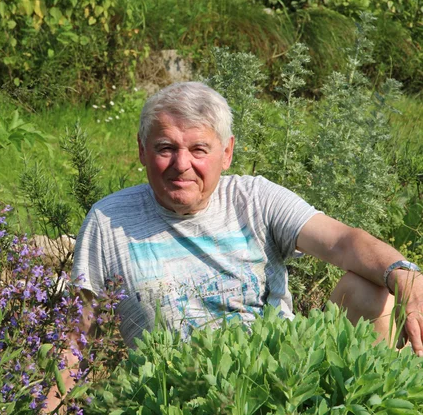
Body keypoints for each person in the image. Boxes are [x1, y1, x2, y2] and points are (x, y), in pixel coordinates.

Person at [44, 81, 422, 412]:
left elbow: (342, 241)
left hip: (282, 384)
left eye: (199, 149)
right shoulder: (109, 221)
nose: (182, 164)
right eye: (165, 148)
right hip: (174, 394)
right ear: (142, 151)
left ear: (226, 152)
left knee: (372, 291)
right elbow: (76, 337)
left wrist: (403, 273)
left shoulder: (254, 198)